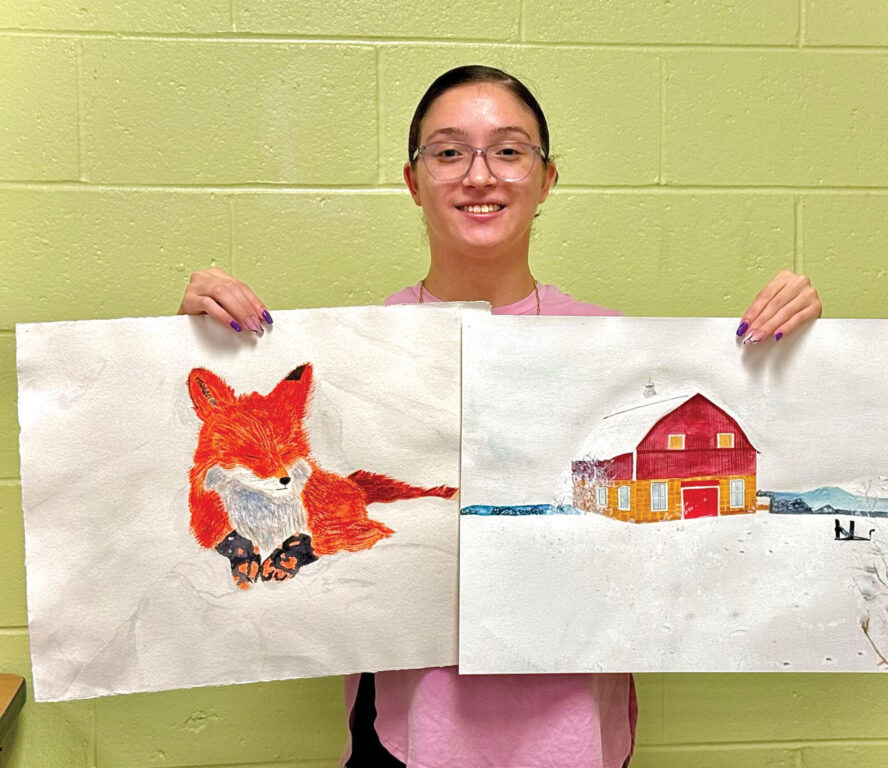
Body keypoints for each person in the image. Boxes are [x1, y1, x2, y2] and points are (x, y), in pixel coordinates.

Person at [178, 65, 822, 768]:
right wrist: (183, 344)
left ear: (546, 179)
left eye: (509, 151)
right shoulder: (348, 356)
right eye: (449, 151)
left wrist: (797, 349)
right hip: (404, 733)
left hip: (576, 734)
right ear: (411, 178)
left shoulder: (617, 347)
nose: (479, 175)